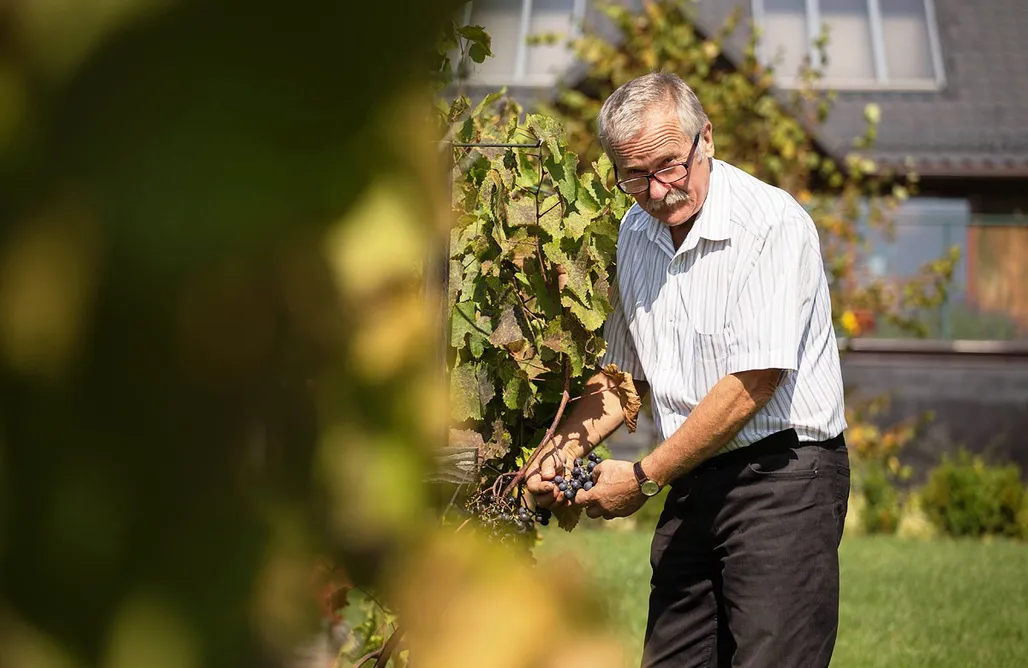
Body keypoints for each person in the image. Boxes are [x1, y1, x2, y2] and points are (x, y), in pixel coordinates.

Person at [525, 71, 850, 668]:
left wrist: (645, 478)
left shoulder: (770, 225)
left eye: (670, 166)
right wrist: (560, 454)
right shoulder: (634, 230)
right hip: (695, 473)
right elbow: (624, 377)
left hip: (783, 479)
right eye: (635, 176)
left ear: (707, 140)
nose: (658, 190)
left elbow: (753, 383)